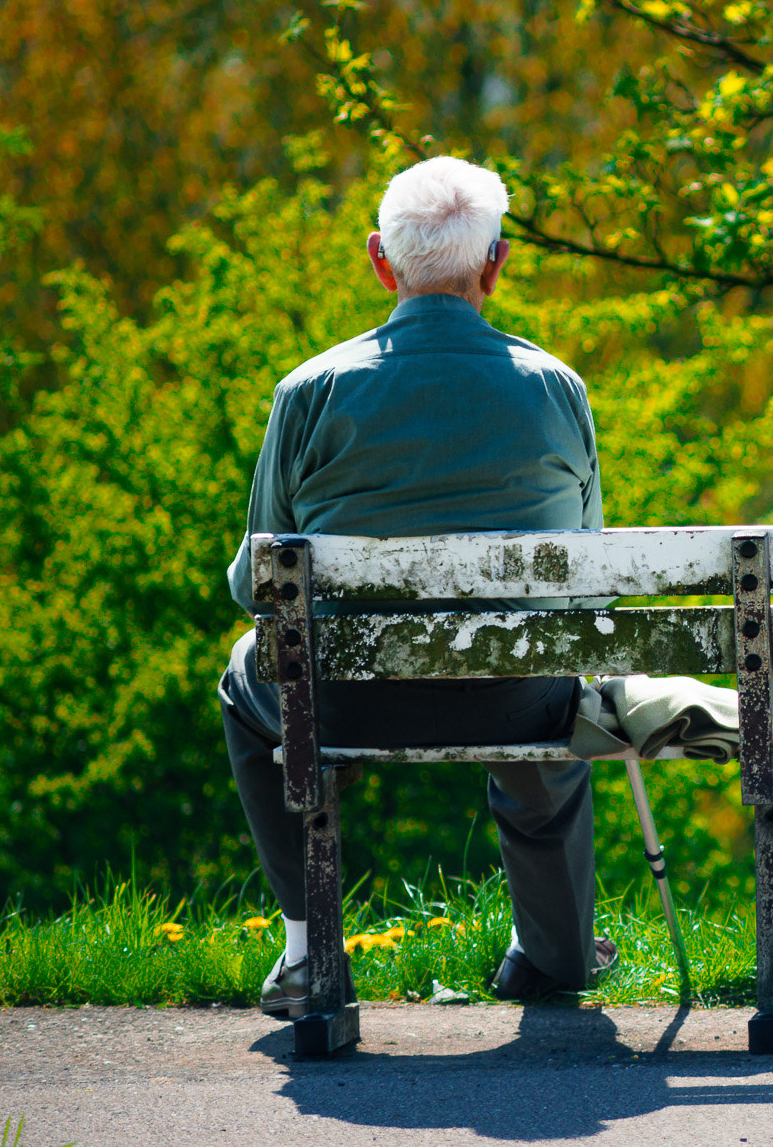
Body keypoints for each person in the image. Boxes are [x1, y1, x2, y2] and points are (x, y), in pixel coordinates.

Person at [218, 156, 614, 1018]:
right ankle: (554, 952)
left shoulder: (310, 391)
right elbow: (586, 574)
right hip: (514, 698)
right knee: (553, 660)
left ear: (379, 259)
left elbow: (259, 584)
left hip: (347, 700)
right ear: (497, 263)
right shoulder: (556, 387)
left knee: (249, 669)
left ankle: (306, 950)